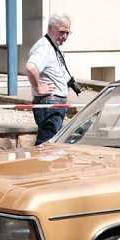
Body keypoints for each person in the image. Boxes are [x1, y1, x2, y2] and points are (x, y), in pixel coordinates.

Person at [26, 13, 74, 144]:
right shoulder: (45, 47)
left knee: (50, 146)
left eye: (67, 33)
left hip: (53, 104)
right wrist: (38, 88)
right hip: (49, 104)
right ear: (50, 29)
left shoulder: (51, 46)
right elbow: (31, 67)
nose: (64, 36)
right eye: (61, 32)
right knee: (47, 146)